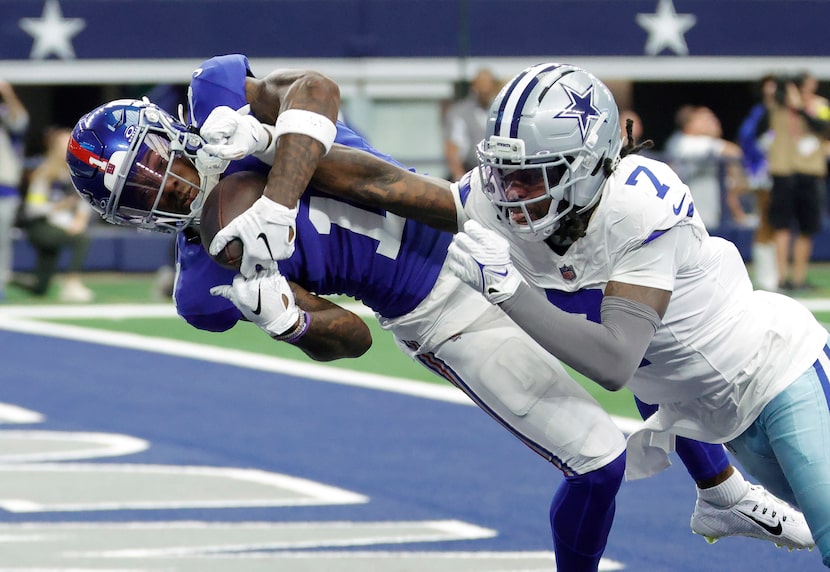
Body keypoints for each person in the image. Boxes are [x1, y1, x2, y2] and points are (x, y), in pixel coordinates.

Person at [65, 57, 812, 571]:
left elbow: (318, 92)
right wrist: (288, 319)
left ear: (167, 129)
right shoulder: (203, 287)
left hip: (472, 218)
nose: (164, 184)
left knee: (641, 326)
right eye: (140, 190)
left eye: (158, 159)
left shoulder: (218, 96)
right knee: (597, 463)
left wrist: (276, 185)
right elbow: (353, 337)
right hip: (438, 316)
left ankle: (720, 494)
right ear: (127, 216)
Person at [312, 62, 826, 566]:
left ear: (589, 166)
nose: (511, 194)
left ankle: (723, 492)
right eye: (504, 172)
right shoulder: (502, 201)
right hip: (707, 408)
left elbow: (614, 361)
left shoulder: (638, 204)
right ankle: (721, 493)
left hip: (775, 373)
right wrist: (277, 147)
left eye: (532, 177)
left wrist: (508, 288)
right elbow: (385, 184)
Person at [766, 71, 830, 292]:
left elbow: (824, 128)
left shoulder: (820, 105)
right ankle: (782, 277)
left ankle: (800, 277)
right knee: (781, 225)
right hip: (783, 171)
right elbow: (761, 125)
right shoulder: (778, 106)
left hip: (809, 172)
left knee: (806, 227)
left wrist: (801, 108)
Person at [16, 127, 93, 301]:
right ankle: (71, 284)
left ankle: (11, 278)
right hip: (41, 227)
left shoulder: (77, 173)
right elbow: (32, 209)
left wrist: (80, 219)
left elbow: (84, 201)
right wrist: (58, 206)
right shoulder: (44, 173)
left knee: (40, 288)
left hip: (62, 226)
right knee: (82, 239)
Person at [664, 105, 746, 230]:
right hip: (689, 218)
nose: (713, 123)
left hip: (708, 216)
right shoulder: (683, 142)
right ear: (689, 124)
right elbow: (733, 151)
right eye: (705, 119)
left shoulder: (701, 143)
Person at [738, 75, 779, 291]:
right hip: (762, 171)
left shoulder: (780, 112)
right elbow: (748, 138)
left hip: (778, 171)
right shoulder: (760, 113)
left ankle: (771, 273)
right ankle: (766, 276)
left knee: (773, 222)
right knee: (765, 220)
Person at [443, 68, 502, 181]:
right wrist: (460, 178)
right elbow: (452, 148)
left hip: (497, 172)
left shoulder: (501, 112)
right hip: (469, 171)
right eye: (482, 87)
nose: (485, 91)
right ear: (474, 87)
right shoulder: (460, 112)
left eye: (488, 87)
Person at [0, 80, 28, 300]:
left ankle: (0, 283)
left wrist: (7, 93)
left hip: (4, 190)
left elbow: (21, 121)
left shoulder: (4, 116)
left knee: (1, 241)